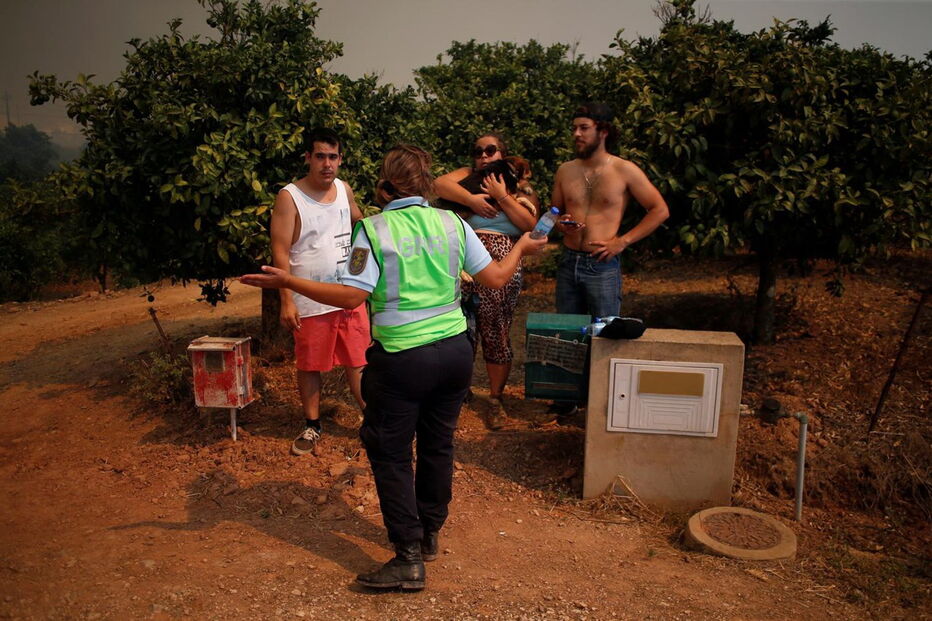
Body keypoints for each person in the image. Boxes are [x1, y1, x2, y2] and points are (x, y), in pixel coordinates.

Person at [241, 145, 547, 592]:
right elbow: (496, 278)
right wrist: (521, 244)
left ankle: (407, 556)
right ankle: (429, 534)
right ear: (425, 184)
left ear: (385, 186)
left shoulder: (372, 231)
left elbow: (351, 297)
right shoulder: (453, 223)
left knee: (390, 451)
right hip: (455, 355)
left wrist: (286, 281)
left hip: (404, 360)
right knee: (438, 444)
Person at [269, 127, 369, 456]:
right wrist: (286, 300)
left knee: (359, 359)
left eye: (333, 157)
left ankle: (372, 419)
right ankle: (312, 425)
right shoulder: (290, 197)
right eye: (321, 156)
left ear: (341, 160)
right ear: (308, 158)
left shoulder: (343, 189)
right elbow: (280, 251)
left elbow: (361, 226)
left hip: (348, 294)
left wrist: (361, 270)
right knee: (310, 364)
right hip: (310, 300)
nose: (327, 164)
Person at [435, 134, 539, 429]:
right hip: (464, 263)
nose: (483, 155)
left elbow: (531, 226)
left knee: (495, 328)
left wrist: (501, 195)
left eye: (490, 150)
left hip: (502, 260)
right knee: (459, 328)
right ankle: (458, 392)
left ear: (503, 155)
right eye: (478, 151)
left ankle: (495, 399)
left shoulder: (521, 187)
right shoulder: (468, 178)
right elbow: (438, 184)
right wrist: (472, 201)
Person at [551, 103, 670, 318]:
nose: (576, 134)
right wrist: (559, 223)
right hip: (568, 261)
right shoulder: (565, 170)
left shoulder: (624, 170)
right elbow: (554, 212)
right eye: (574, 128)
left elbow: (659, 210)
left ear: (603, 131)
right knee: (567, 334)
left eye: (584, 128)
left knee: (605, 333)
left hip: (601, 264)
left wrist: (622, 241)